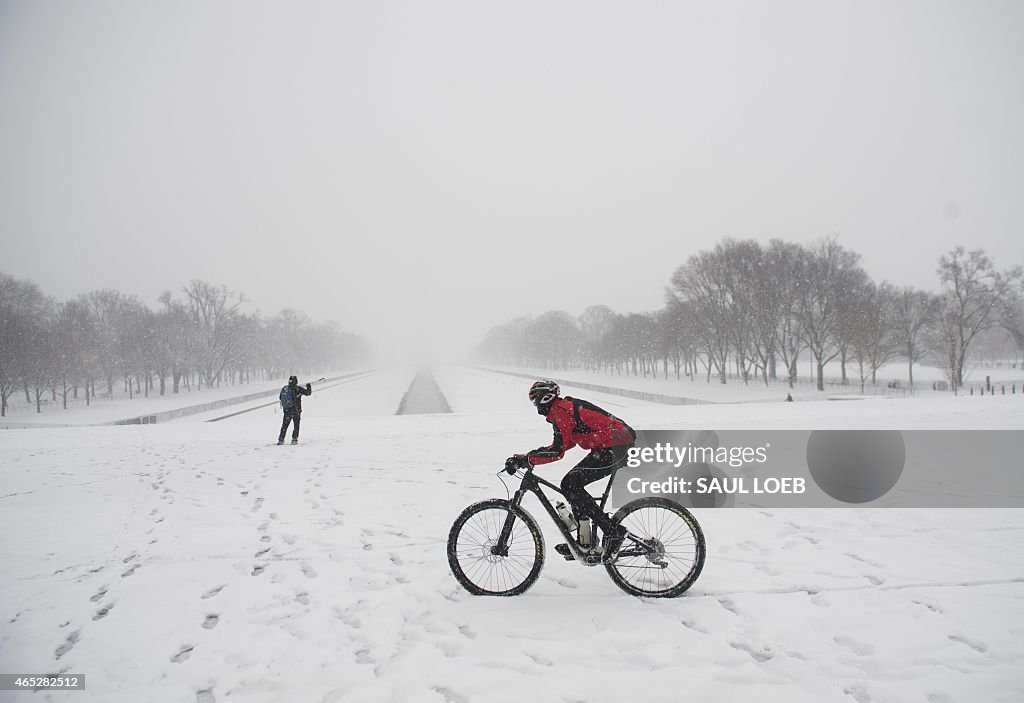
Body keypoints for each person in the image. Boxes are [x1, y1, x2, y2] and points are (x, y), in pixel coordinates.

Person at [505, 380, 636, 561]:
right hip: (611, 445)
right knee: (571, 484)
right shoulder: (560, 410)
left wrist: (527, 459)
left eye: (535, 400)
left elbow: (557, 452)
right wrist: (527, 456)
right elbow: (564, 444)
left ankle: (614, 532)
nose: (535, 405)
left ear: (545, 397)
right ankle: (585, 541)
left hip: (618, 445)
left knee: (570, 484)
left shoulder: (560, 411)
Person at [278, 375, 312, 445]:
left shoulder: (285, 388)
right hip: (296, 410)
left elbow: (280, 397)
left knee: (284, 426)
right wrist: (308, 386)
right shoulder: (298, 389)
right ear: (296, 381)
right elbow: (308, 393)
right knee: (296, 426)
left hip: (287, 411)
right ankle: (294, 439)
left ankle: (281, 439)